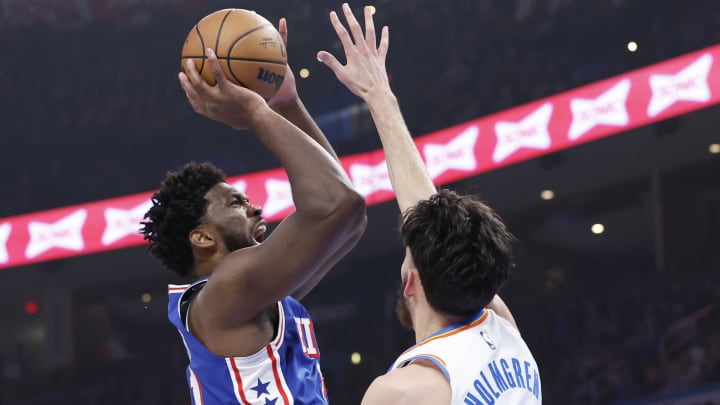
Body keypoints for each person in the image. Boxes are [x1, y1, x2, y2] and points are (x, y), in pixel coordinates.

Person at [317, 4, 541, 404]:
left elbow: (426, 222)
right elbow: (426, 216)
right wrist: (378, 97)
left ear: (411, 281)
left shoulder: (401, 392)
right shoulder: (503, 331)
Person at [141, 18, 367, 404]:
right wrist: (256, 113)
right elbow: (336, 204)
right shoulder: (225, 290)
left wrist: (286, 105)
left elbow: (350, 217)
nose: (255, 207)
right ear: (202, 236)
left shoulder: (254, 293)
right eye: (235, 203)